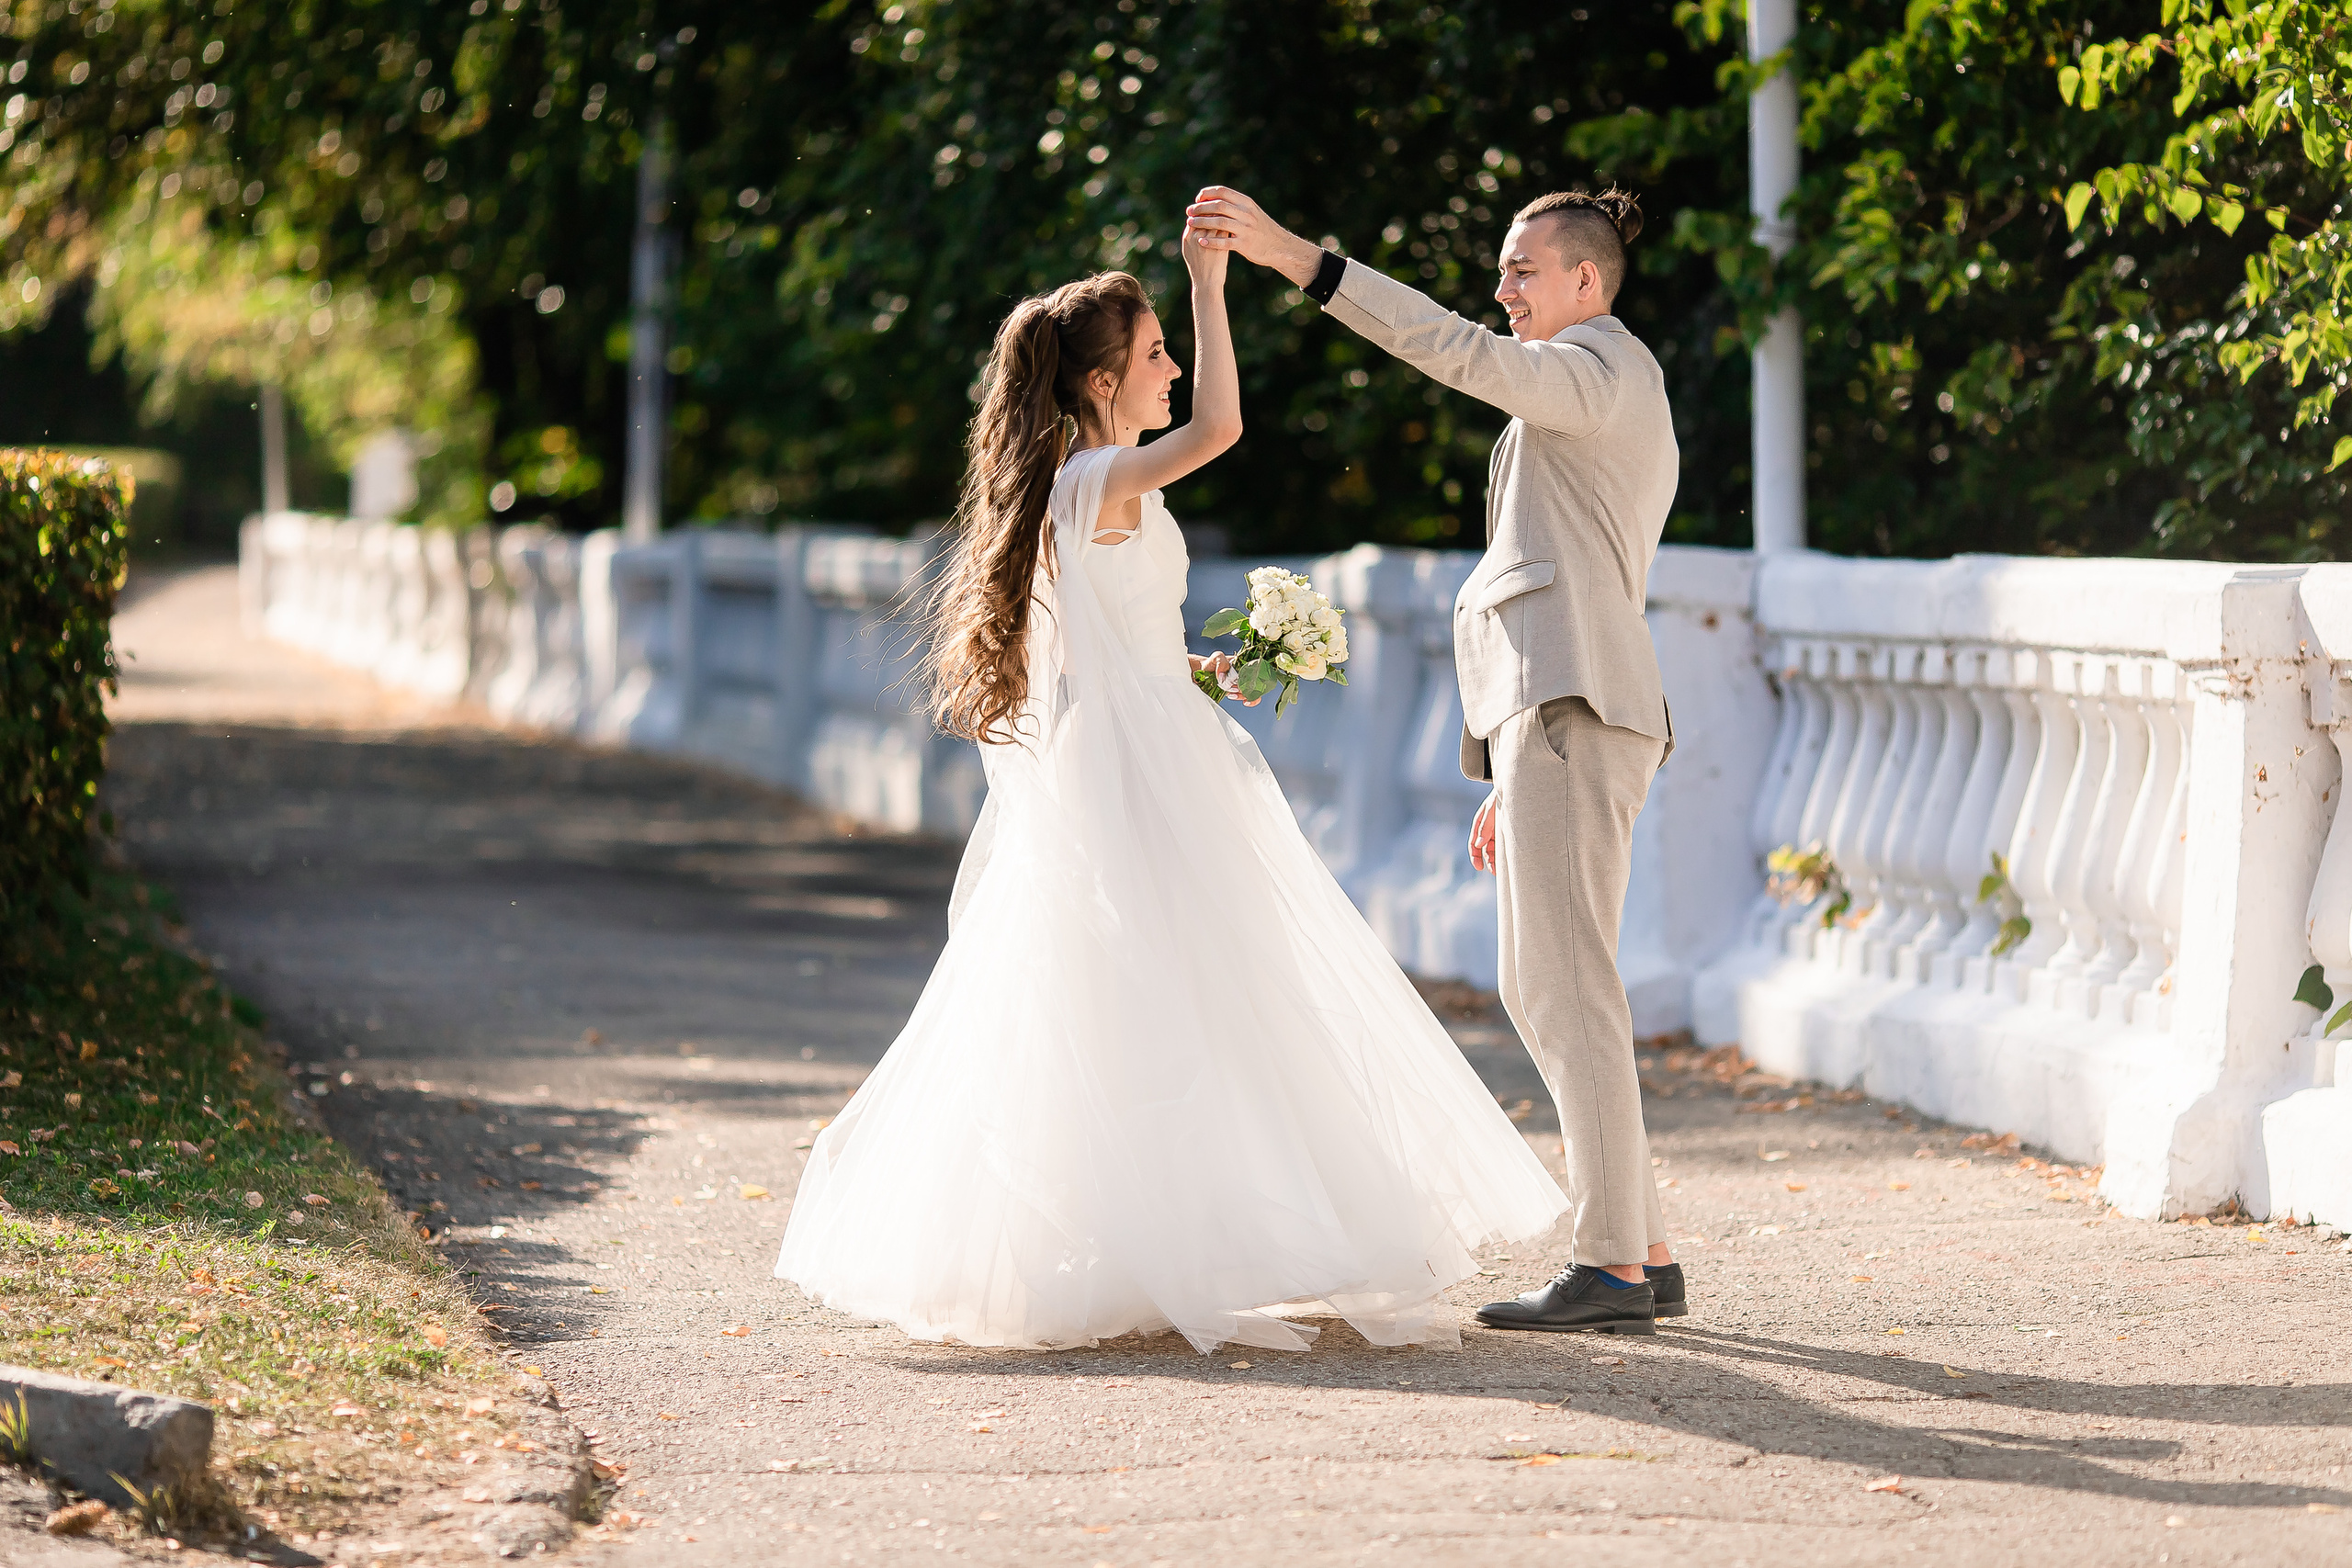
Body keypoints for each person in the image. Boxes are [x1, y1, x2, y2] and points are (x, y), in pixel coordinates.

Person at [773, 221, 1571, 1352]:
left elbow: (1102, 633)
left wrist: (1190, 666)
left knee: (1166, 992)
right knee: (1179, 988)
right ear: (1103, 384)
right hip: (1142, 771)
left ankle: (1168, 1233)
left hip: (1152, 737)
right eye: (1155, 355)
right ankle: (1157, 1239)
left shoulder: (1085, 483)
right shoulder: (1098, 472)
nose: (1174, 369)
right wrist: (1207, 280)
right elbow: (1225, 427)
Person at [1186, 184, 1687, 1335]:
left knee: (1567, 990)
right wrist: (1508, 762)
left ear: (1585, 283)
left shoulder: (1600, 370)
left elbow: (1451, 354)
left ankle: (1611, 1265)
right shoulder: (1590, 384)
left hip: (1575, 710)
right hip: (1556, 717)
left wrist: (1297, 258)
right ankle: (1640, 1246)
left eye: (1523, 271)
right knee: (1554, 986)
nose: (1502, 290)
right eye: (1502, 271)